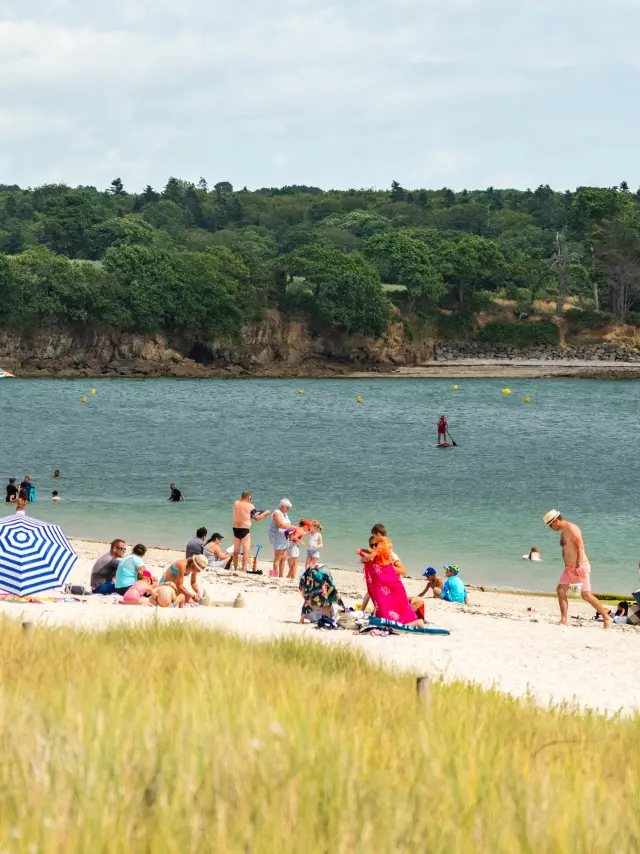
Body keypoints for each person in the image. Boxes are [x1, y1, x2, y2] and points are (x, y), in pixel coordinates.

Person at [543, 509, 611, 628]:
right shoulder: (563, 532)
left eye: (550, 525)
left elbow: (580, 547)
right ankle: (564, 619)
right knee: (560, 590)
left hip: (579, 567)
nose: (550, 528)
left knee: (586, 595)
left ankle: (606, 617)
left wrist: (578, 565)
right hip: (569, 568)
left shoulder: (572, 529)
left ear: (557, 521)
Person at [358, 524, 425, 626]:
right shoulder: (387, 543)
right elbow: (374, 552)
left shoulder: (384, 548)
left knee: (387, 606)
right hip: (387, 582)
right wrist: (363, 551)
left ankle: (414, 622)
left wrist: (364, 559)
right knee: (378, 597)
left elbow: (403, 571)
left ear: (378, 534)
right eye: (372, 545)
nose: (374, 545)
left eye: (375, 538)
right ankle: (366, 612)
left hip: (389, 581)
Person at [232, 491, 270, 573]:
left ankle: (235, 569)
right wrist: (266, 513)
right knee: (246, 551)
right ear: (249, 497)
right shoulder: (250, 506)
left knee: (236, 551)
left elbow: (244, 512)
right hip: (245, 529)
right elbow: (256, 517)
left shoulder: (236, 503)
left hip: (235, 528)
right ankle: (243, 570)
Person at [268, 499, 294, 578]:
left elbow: (287, 525)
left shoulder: (285, 514)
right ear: (283, 506)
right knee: (277, 557)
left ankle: (281, 575)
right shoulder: (276, 513)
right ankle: (274, 575)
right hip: (277, 536)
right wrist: (295, 528)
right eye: (287, 508)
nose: (288, 510)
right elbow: (281, 525)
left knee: (283, 557)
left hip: (284, 537)